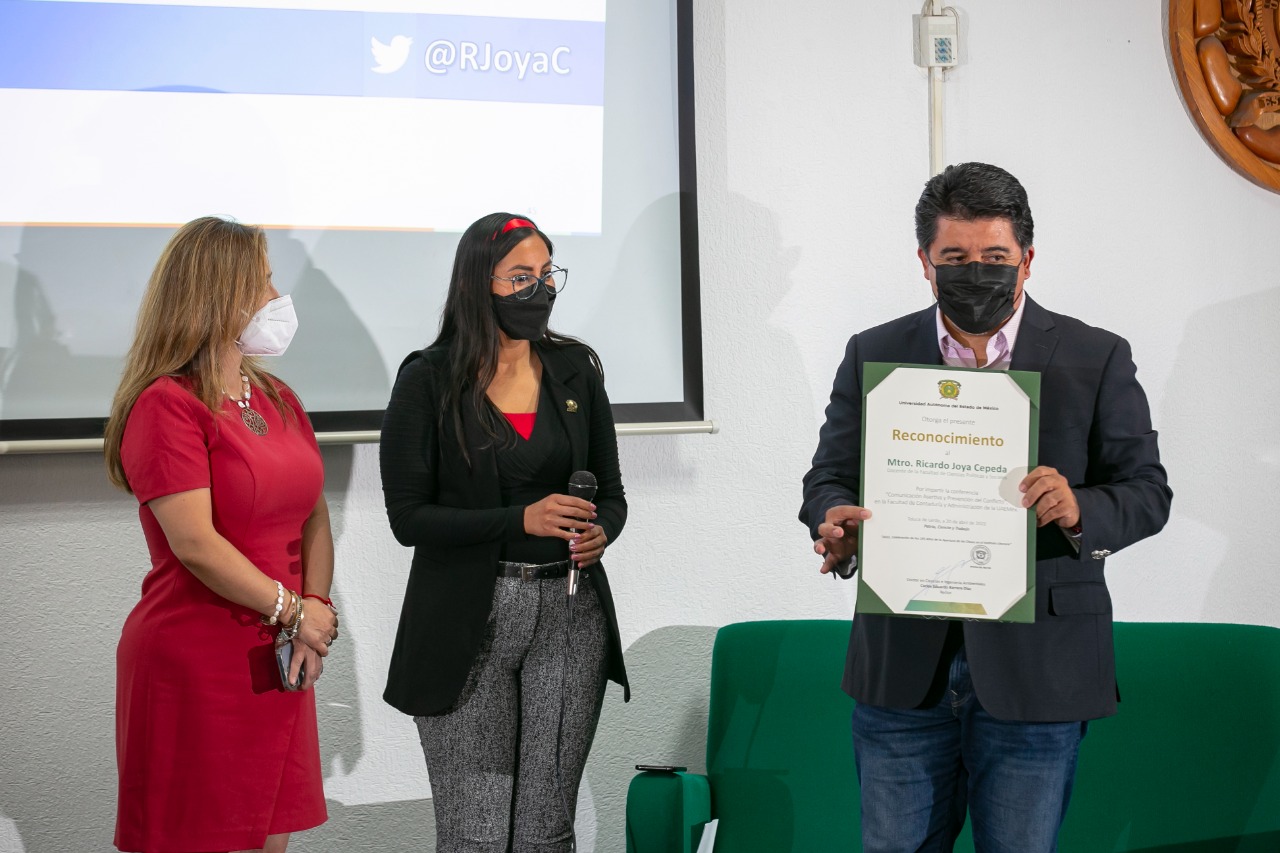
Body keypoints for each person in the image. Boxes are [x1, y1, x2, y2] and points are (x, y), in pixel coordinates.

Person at [800, 163, 1172, 852]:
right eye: (956, 259)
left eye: (995, 258)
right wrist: (834, 521)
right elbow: (827, 479)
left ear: (1027, 259)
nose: (978, 273)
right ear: (924, 262)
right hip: (902, 671)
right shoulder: (875, 352)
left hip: (1040, 671)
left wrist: (1077, 506)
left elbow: (1148, 493)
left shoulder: (1095, 356)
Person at [379, 212, 629, 852]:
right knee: (477, 836)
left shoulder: (576, 369)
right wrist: (520, 519)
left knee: (547, 833)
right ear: (476, 284)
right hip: (469, 618)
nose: (538, 291)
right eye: (521, 278)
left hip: (571, 614)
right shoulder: (427, 379)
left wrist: (601, 531)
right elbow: (409, 519)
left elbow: (613, 494)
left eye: (547, 276)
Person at [104, 216, 340, 853]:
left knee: (268, 839)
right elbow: (196, 545)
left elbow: (313, 514)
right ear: (217, 293)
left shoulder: (278, 397)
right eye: (261, 281)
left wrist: (313, 610)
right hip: (196, 662)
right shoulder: (166, 403)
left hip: (278, 655)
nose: (274, 296)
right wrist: (294, 611)